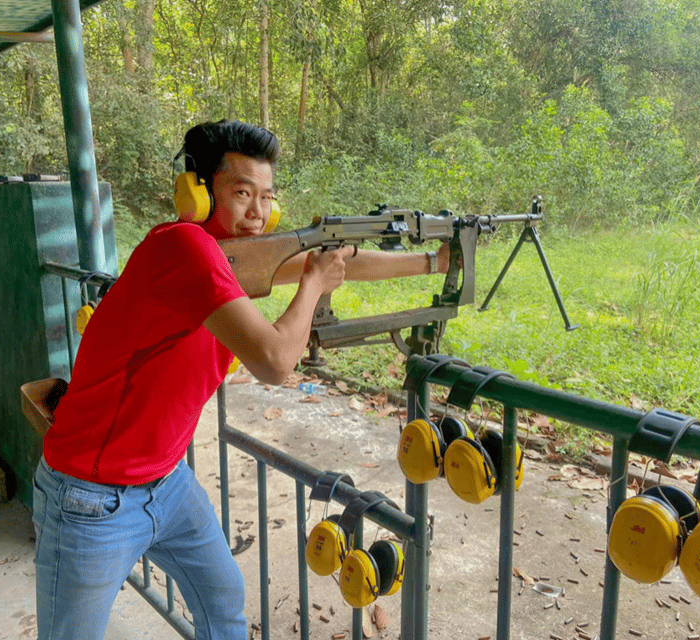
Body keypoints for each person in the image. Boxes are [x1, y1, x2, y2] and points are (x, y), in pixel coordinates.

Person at [32, 119, 449, 640]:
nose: (258, 212)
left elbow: (334, 261)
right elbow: (275, 362)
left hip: (167, 482)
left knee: (224, 603)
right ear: (199, 194)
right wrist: (315, 285)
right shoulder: (184, 247)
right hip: (91, 498)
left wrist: (432, 261)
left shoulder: (232, 258)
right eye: (242, 193)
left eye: (267, 197)